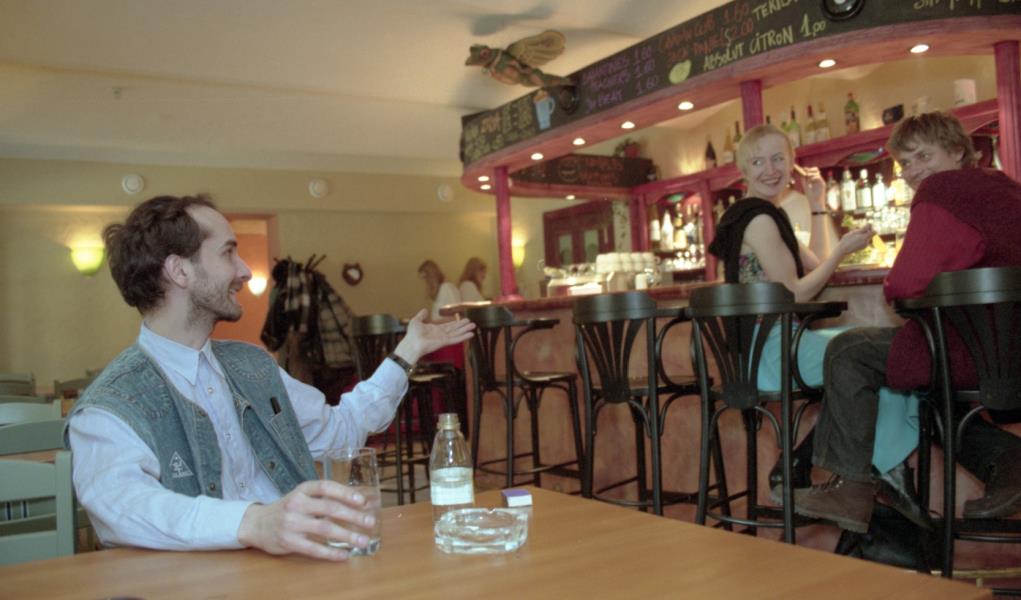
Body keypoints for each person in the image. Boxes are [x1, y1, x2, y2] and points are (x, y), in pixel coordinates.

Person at [66, 194, 475, 560]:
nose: (245, 271)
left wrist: (407, 352)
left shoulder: (254, 366)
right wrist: (255, 523)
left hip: (303, 573)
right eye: (228, 253)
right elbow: (121, 508)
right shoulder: (111, 404)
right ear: (179, 271)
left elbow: (340, 431)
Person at [795, 112, 1021, 533]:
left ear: (957, 150)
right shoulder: (1005, 187)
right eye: (905, 162)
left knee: (849, 349)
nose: (914, 170)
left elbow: (904, 283)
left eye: (923, 156)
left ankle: (850, 488)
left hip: (976, 352)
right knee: (925, 391)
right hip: (1009, 349)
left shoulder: (943, 190)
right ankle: (1007, 459)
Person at [708, 124, 920, 511]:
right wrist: (841, 251)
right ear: (743, 170)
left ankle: (865, 473)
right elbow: (795, 292)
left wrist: (817, 203)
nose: (770, 169)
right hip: (771, 352)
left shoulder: (764, 216)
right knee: (880, 357)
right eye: (758, 162)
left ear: (792, 163)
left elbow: (817, 264)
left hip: (765, 348)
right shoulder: (758, 220)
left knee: (869, 350)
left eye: (778, 159)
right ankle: (883, 473)